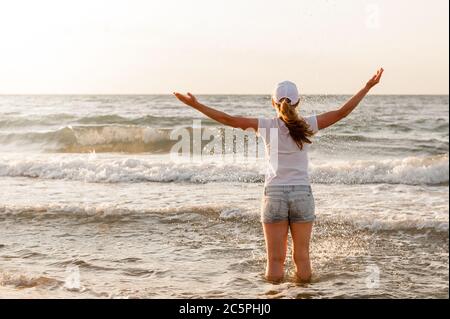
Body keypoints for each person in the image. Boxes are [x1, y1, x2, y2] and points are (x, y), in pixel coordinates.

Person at [174, 68, 384, 283]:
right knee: (302, 257)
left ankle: (273, 296)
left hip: (274, 195)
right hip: (302, 194)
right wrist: (367, 87)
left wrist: (196, 105)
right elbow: (342, 112)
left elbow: (228, 119)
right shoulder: (308, 124)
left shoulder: (266, 126)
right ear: (298, 101)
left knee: (274, 260)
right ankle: (304, 296)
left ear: (272, 102)